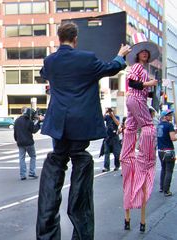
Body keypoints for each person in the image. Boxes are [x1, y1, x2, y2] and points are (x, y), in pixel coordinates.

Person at [36, 22, 130, 240]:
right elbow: (112, 67)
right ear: (75, 39)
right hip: (80, 125)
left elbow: (44, 72)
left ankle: (47, 235)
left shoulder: (50, 61)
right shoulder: (87, 59)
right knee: (81, 175)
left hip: (59, 125)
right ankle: (81, 234)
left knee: (55, 166)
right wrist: (120, 55)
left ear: (59, 38)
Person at [119, 32, 159, 232]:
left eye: (146, 52)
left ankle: (128, 154)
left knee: (131, 128)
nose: (144, 54)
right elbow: (133, 85)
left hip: (135, 99)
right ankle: (146, 157)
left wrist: (151, 88)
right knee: (149, 126)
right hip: (135, 98)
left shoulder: (142, 69)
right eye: (141, 51)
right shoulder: (136, 68)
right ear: (137, 55)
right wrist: (149, 84)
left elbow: (144, 90)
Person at [13, 107, 43, 180]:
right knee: (33, 156)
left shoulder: (17, 121)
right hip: (29, 142)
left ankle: (22, 175)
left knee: (21, 158)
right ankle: (31, 172)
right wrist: (38, 122)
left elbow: (15, 133)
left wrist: (17, 140)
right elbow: (34, 130)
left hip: (20, 142)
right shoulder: (29, 121)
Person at [157, 109, 176, 197]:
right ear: (165, 116)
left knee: (163, 169)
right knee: (169, 171)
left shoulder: (159, 125)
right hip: (169, 151)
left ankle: (161, 187)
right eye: (169, 115)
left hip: (160, 151)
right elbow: (173, 138)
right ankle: (166, 190)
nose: (171, 116)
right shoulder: (169, 125)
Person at [101, 108, 121, 172]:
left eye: (112, 111)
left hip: (115, 137)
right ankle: (106, 167)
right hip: (107, 137)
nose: (111, 112)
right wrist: (105, 112)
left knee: (116, 153)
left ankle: (117, 166)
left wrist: (113, 116)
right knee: (106, 152)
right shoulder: (107, 117)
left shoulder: (117, 117)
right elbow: (101, 120)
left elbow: (118, 124)